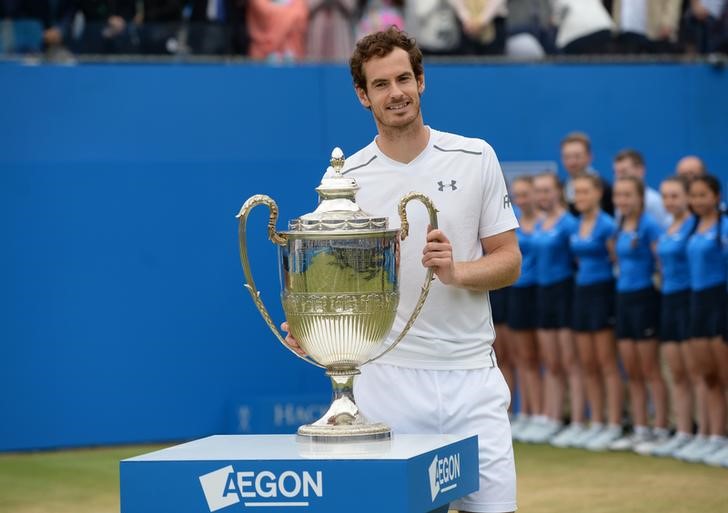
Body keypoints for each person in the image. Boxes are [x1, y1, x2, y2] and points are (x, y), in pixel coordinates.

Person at [283, 27, 521, 513]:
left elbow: (509, 260)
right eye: (381, 85)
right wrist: (318, 331)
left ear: (421, 82)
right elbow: (335, 283)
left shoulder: (476, 157)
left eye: (404, 79)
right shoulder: (344, 179)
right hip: (386, 382)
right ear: (362, 96)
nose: (396, 93)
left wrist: (458, 272)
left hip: (472, 378)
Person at [608, 175, 670, 452]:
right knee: (631, 369)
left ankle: (661, 429)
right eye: (618, 196)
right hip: (623, 299)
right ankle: (641, 428)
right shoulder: (619, 225)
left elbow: (662, 264)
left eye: (628, 195)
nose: (622, 201)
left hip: (645, 299)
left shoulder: (650, 226)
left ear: (640, 198)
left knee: (650, 369)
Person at [524, 173, 583, 446]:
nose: (542, 196)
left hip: (564, 293)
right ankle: (551, 417)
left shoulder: (570, 224)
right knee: (551, 361)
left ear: (559, 192)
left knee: (569, 361)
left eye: (547, 191)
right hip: (541, 294)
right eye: (539, 191)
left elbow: (579, 261)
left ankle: (579, 422)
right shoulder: (537, 223)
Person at [568, 173, 624, 451]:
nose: (580, 198)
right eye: (576, 193)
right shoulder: (578, 224)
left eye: (585, 192)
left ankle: (614, 424)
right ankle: (597, 422)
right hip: (582, 293)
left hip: (602, 294)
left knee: (606, 363)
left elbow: (617, 262)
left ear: (598, 193)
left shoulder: (607, 225)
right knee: (588, 363)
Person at [678, 174, 728, 465]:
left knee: (724, 376)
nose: (697, 201)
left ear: (716, 196)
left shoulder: (724, 227)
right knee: (707, 376)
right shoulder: (692, 227)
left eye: (702, 195)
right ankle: (713, 437)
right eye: (693, 196)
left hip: (718, 303)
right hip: (695, 304)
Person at [650, 176, 700, 458]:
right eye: (666, 196)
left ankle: (708, 433)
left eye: (675, 196)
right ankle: (682, 431)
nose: (670, 202)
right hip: (668, 300)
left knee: (698, 373)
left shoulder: (695, 226)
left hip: (690, 301)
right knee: (677, 373)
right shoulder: (667, 227)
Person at [506, 176, 544, 442]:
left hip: (541, 292)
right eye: (516, 195)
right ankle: (521, 413)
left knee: (534, 358)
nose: (521, 199)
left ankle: (540, 415)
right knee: (514, 357)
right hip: (513, 292)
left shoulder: (548, 222)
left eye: (525, 194)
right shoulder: (512, 220)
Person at [613, 149, 671, 228]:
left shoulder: (654, 202)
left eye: (624, 172)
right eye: (616, 172)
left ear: (640, 170)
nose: (619, 177)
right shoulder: (619, 203)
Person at [560, 132, 614, 216]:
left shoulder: (605, 188)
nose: (572, 162)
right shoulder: (561, 187)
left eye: (577, 156)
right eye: (567, 157)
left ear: (589, 157)